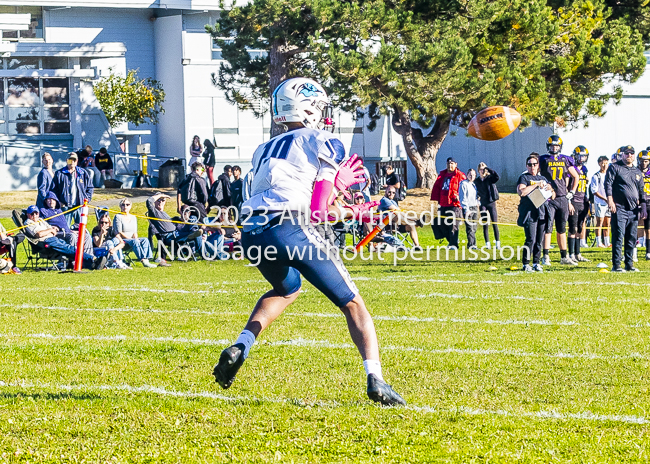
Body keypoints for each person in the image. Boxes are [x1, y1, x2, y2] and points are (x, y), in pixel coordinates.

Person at [212, 77, 405, 406]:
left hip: (252, 232)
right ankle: (376, 379)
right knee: (353, 304)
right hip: (290, 228)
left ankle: (241, 346)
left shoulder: (263, 149)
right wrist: (357, 211)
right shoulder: (325, 140)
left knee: (286, 289)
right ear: (309, 108)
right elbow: (318, 212)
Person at [538, 135, 580, 266]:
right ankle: (545, 256)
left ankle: (563, 256)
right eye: (552, 145)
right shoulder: (543, 159)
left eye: (556, 145)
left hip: (562, 197)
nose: (554, 147)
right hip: (548, 197)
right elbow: (535, 172)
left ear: (560, 146)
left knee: (562, 228)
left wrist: (572, 192)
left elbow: (576, 176)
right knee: (548, 228)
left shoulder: (566, 159)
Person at [23, 205, 106, 270]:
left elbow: (53, 230)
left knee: (70, 250)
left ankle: (92, 264)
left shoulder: (40, 220)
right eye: (32, 214)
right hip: (45, 241)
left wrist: (51, 230)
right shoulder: (28, 222)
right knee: (69, 249)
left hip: (53, 238)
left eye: (36, 213)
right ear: (28, 215)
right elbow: (39, 234)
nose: (34, 215)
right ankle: (93, 259)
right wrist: (50, 230)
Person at [605, 145, 646, 272]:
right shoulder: (615, 167)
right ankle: (616, 265)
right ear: (622, 155)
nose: (629, 156)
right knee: (618, 236)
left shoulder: (637, 172)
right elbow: (608, 184)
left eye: (631, 153)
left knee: (631, 237)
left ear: (634, 156)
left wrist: (643, 206)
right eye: (627, 153)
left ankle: (629, 264)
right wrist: (610, 200)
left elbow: (641, 191)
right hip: (619, 208)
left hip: (633, 209)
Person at [517, 153, 555, 272]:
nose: (532, 167)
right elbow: (522, 192)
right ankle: (526, 263)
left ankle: (536, 263)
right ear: (526, 165)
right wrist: (536, 185)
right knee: (531, 239)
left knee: (539, 240)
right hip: (529, 212)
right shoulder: (524, 177)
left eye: (534, 164)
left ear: (538, 165)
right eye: (530, 164)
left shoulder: (543, 178)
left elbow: (553, 196)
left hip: (542, 211)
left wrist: (551, 189)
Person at [39, 191, 93, 255]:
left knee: (85, 235)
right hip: (56, 234)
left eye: (53, 199)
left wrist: (70, 231)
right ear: (46, 201)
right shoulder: (43, 211)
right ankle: (72, 258)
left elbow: (64, 225)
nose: (51, 202)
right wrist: (51, 228)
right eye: (49, 200)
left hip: (66, 231)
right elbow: (42, 224)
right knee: (72, 236)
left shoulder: (59, 211)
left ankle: (88, 258)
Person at [430, 157, 466, 248]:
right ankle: (451, 240)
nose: (450, 165)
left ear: (455, 165)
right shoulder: (442, 175)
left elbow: (465, 188)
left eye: (452, 163)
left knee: (453, 224)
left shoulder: (460, 175)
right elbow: (437, 188)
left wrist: (459, 196)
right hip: (443, 203)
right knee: (438, 222)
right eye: (448, 164)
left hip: (455, 204)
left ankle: (454, 244)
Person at [113, 198, 160, 268]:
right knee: (135, 241)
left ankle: (147, 259)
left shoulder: (133, 217)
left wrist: (136, 238)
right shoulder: (118, 217)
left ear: (130, 206)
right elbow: (119, 232)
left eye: (127, 204)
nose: (125, 206)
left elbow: (135, 232)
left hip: (132, 240)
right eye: (123, 205)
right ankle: (143, 260)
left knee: (145, 240)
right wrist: (131, 239)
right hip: (123, 240)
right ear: (120, 206)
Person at [51, 152, 94, 226]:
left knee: (81, 228)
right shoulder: (59, 173)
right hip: (65, 206)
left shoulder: (83, 173)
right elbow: (53, 190)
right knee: (64, 228)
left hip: (80, 206)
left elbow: (90, 188)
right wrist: (58, 202)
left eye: (74, 160)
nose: (72, 162)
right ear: (66, 161)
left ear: (77, 161)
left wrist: (86, 199)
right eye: (70, 160)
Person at [567, 146, 590, 262]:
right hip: (574, 201)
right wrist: (569, 202)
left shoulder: (585, 169)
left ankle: (577, 254)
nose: (582, 158)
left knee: (580, 229)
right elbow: (566, 186)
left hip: (583, 201)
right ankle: (570, 254)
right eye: (580, 156)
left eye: (584, 156)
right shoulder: (571, 169)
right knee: (572, 228)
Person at [474, 162, 501, 249]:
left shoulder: (489, 178)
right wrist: (477, 197)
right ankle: (487, 244)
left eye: (483, 169)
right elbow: (475, 191)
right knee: (485, 223)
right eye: (481, 169)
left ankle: (497, 243)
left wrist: (488, 169)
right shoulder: (477, 181)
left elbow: (496, 177)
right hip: (483, 203)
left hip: (491, 202)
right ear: (478, 170)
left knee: (494, 223)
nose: (482, 171)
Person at [590, 156, 611, 248]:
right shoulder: (596, 176)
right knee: (600, 222)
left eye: (606, 163)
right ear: (599, 164)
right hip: (600, 202)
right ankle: (599, 242)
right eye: (602, 163)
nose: (604, 165)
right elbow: (594, 191)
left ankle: (607, 242)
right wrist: (604, 198)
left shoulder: (610, 175)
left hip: (608, 203)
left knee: (607, 223)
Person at [459, 168, 479, 249]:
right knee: (470, 227)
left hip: (474, 207)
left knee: (474, 227)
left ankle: (472, 244)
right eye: (470, 175)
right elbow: (463, 198)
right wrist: (466, 209)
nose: (472, 176)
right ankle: (471, 245)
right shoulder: (464, 184)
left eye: (474, 175)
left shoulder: (473, 184)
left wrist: (478, 202)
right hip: (468, 208)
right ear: (467, 175)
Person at [638, 150, 650, 260]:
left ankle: (648, 251)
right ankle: (632, 251)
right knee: (633, 226)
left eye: (646, 161)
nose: (644, 163)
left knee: (648, 228)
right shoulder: (635, 171)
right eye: (642, 161)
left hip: (649, 202)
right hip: (638, 202)